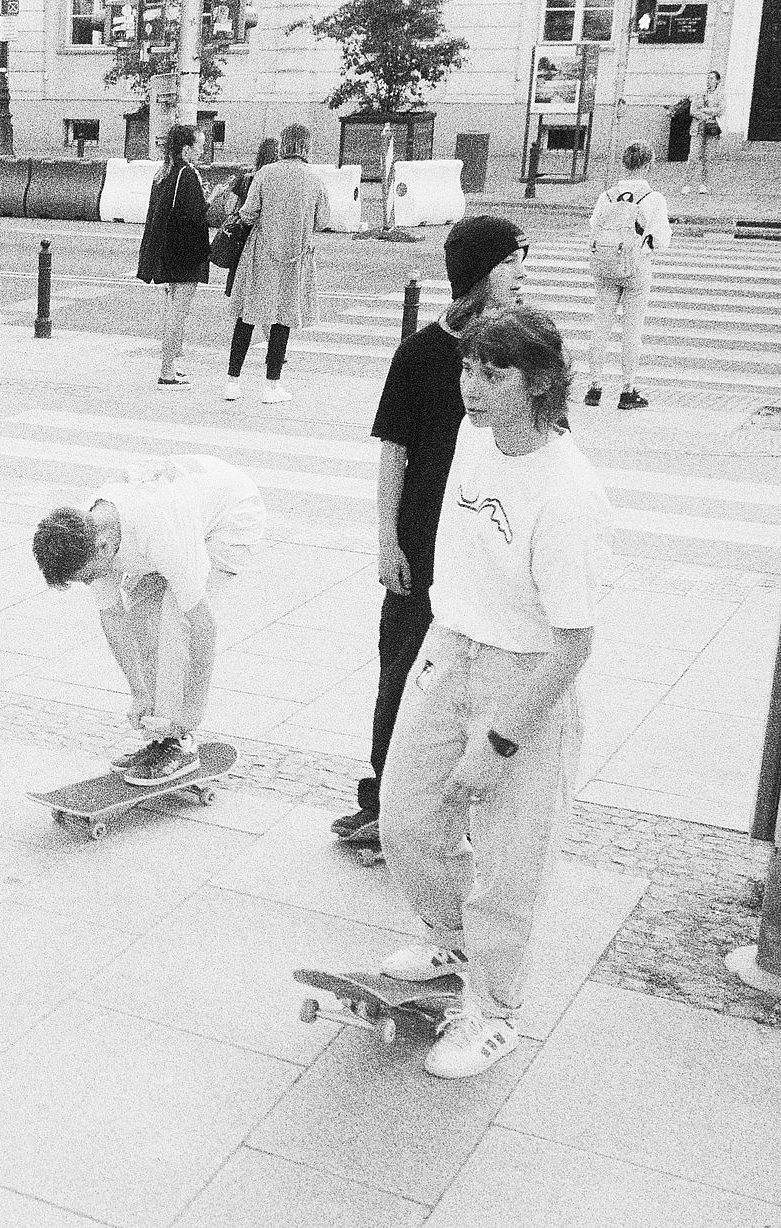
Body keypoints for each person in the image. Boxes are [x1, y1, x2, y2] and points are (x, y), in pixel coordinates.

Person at [378, 306, 610, 1080]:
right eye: (468, 368)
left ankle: (496, 1010)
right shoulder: (476, 440)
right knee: (406, 813)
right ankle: (447, 936)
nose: (470, 386)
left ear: (540, 383)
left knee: (512, 861)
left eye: (492, 372)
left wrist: (502, 739)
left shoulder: (569, 495)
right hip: (450, 649)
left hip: (527, 673)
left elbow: (574, 644)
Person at [335, 216, 530, 851]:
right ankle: (382, 799)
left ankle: (455, 807)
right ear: (482, 275)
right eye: (512, 264)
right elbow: (395, 452)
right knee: (401, 669)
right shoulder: (419, 356)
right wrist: (385, 539)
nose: (523, 276)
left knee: (477, 678)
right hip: (421, 540)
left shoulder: (517, 355)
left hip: (486, 541)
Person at [32, 455, 266, 786]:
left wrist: (192, 711)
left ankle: (180, 743)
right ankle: (161, 736)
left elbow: (203, 626)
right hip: (179, 513)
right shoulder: (85, 532)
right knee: (142, 613)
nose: (87, 583)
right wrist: (138, 693)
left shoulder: (160, 529)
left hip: (231, 515)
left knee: (175, 619)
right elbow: (113, 617)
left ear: (103, 547)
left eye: (86, 577)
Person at [226, 124, 328, 405]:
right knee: (283, 318)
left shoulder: (265, 173)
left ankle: (232, 382)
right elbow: (323, 221)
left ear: (283, 145)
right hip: (295, 259)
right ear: (307, 146)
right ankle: (272, 386)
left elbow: (247, 213)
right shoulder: (314, 179)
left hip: (261, 254)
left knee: (248, 315)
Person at [583, 141, 671, 412]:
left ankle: (594, 387)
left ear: (624, 163)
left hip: (605, 265)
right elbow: (660, 240)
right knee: (632, 330)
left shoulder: (607, 196)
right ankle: (627, 390)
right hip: (636, 267)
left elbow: (594, 226)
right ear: (649, 164)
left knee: (601, 325)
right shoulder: (652, 198)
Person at [136, 123, 211, 390]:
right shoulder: (187, 174)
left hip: (167, 250)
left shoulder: (164, 172)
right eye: (200, 145)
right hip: (185, 253)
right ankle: (167, 371)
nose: (203, 151)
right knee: (178, 314)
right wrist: (208, 200)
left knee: (172, 311)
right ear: (186, 149)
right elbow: (193, 215)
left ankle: (173, 365)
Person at [217, 139, 282, 299]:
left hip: (242, 237)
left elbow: (229, 209)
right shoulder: (276, 182)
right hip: (267, 237)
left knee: (240, 289)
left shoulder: (245, 179)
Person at [684, 70, 724, 195]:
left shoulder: (720, 95)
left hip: (711, 130)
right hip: (698, 128)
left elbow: (721, 110)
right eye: (708, 78)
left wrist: (706, 110)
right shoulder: (699, 94)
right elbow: (693, 110)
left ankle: (704, 184)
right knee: (694, 156)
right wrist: (705, 116)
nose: (709, 81)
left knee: (708, 157)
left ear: (717, 81)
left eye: (712, 78)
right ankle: (687, 183)